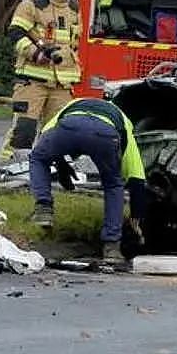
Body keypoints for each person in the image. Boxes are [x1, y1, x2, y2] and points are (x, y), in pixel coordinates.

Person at [29, 97, 147, 262]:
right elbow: (137, 179)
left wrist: (60, 164)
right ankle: (111, 247)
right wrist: (136, 218)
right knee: (113, 185)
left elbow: (45, 139)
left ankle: (43, 209)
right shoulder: (124, 121)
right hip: (104, 135)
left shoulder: (73, 103)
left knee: (37, 158)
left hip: (69, 126)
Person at [0, 0, 81, 163]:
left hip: (61, 84)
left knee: (57, 133)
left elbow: (76, 45)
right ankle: (9, 167)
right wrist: (35, 53)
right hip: (31, 81)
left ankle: (46, 170)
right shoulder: (31, 6)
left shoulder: (74, 10)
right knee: (23, 128)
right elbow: (15, 33)